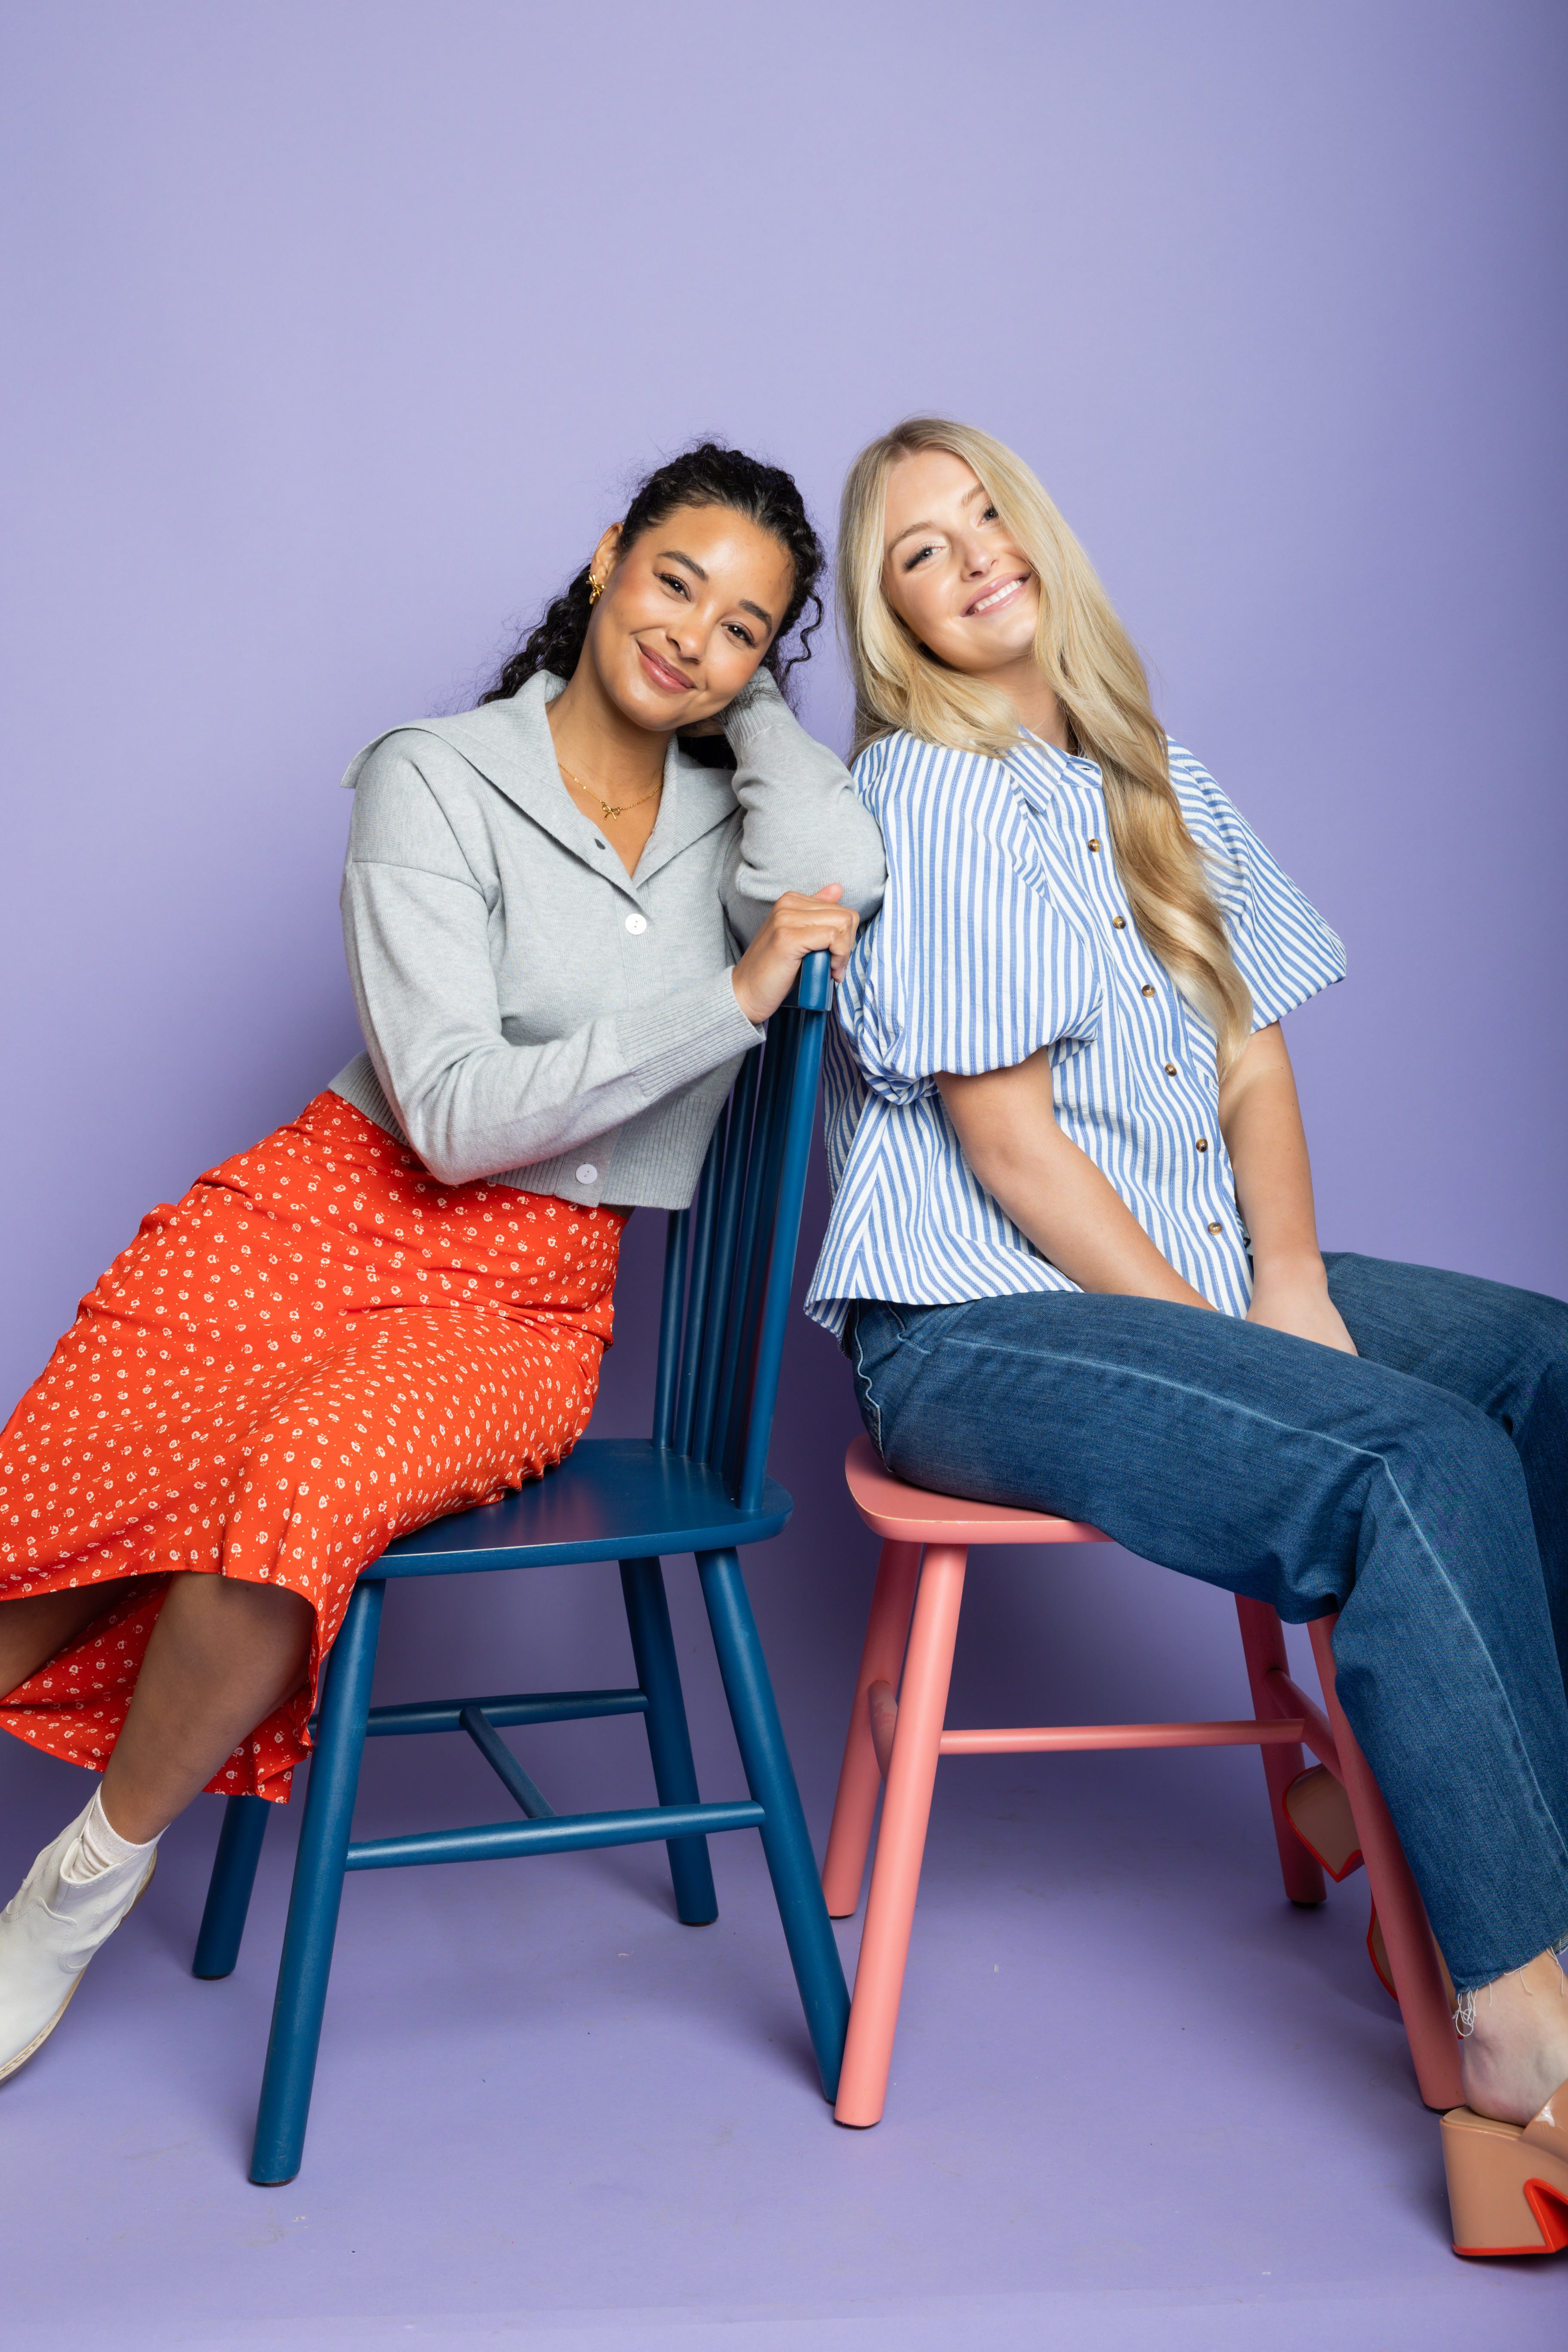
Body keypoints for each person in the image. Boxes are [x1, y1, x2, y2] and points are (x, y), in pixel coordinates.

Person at [0, 440, 885, 2086]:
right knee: (52, 1498)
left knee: (304, 1484)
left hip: (523, 1298)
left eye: (747, 627)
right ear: (609, 556)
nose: (692, 633)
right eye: (674, 582)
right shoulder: (435, 775)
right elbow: (460, 1115)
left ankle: (76, 1885)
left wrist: (738, 707)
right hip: (323, 1211)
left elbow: (847, 873)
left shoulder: (732, 817)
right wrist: (729, 999)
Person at [806, 415, 1568, 2254]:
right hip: (978, 1323)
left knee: (1537, 1365)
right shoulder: (927, 789)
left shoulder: (1145, 767)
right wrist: (1248, 1356)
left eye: (990, 513)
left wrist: (1288, 1291)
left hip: (1195, 1272)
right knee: (1407, 1457)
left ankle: (1488, 1831)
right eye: (922, 547)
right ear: (893, 617)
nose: (975, 551)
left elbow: (1250, 1049)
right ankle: (1520, 2046)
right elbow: (1008, 1150)